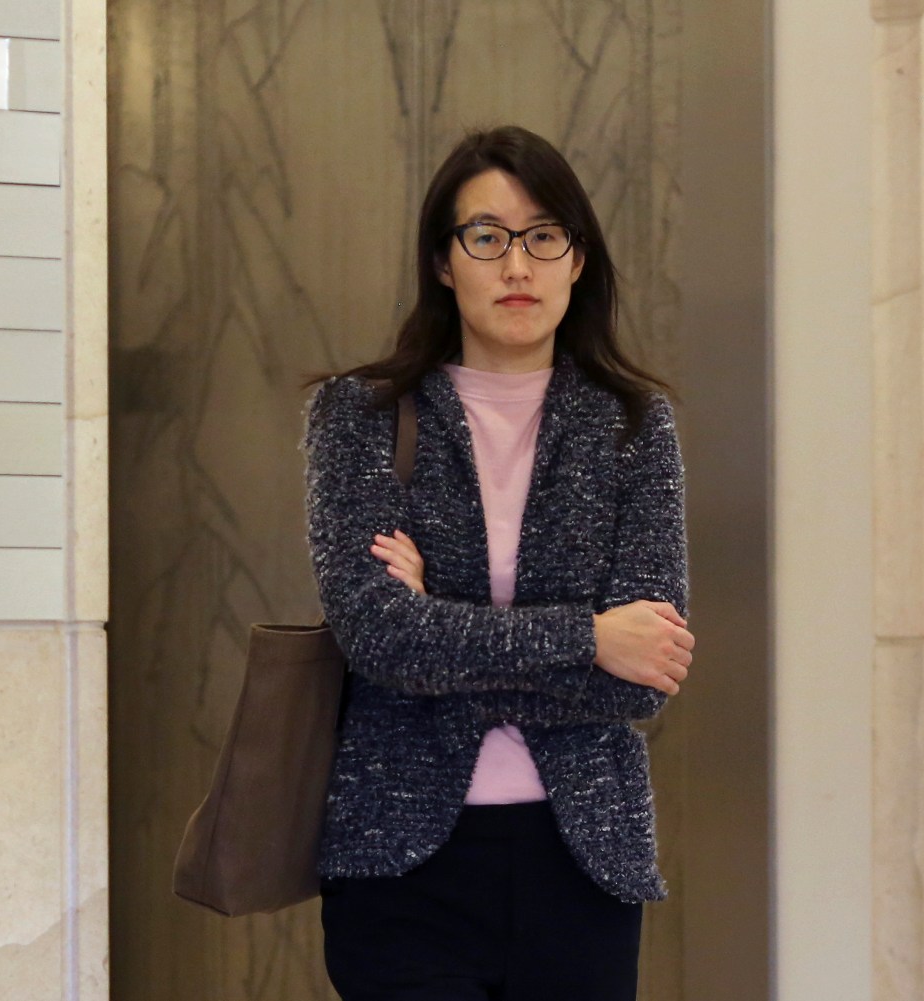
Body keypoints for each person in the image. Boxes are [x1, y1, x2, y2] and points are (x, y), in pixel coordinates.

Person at [303, 125, 693, 1001]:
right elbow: (379, 639)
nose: (517, 265)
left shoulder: (633, 426)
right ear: (444, 262)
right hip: (403, 865)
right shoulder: (363, 417)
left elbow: (645, 676)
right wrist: (589, 635)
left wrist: (440, 621)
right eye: (487, 236)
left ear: (577, 260)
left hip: (581, 859)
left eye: (544, 236)